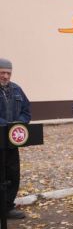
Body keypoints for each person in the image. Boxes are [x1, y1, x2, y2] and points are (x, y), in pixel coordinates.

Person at [0, 58, 31, 220]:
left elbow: (26, 111)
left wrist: (20, 124)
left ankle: (7, 208)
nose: (5, 76)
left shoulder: (17, 90)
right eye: (2, 72)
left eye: (8, 73)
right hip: (1, 139)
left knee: (12, 174)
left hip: (11, 144)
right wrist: (6, 126)